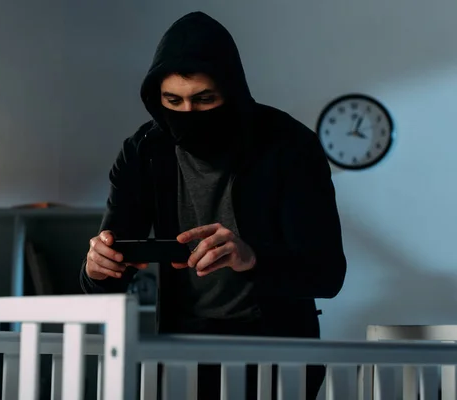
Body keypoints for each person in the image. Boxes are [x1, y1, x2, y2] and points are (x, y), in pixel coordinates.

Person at [80, 11, 347, 400]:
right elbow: (108, 277)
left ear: (232, 92)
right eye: (173, 101)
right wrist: (96, 268)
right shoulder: (142, 152)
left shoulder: (290, 146)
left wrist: (251, 256)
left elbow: (327, 274)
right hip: (180, 351)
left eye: (205, 99)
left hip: (278, 351)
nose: (188, 114)